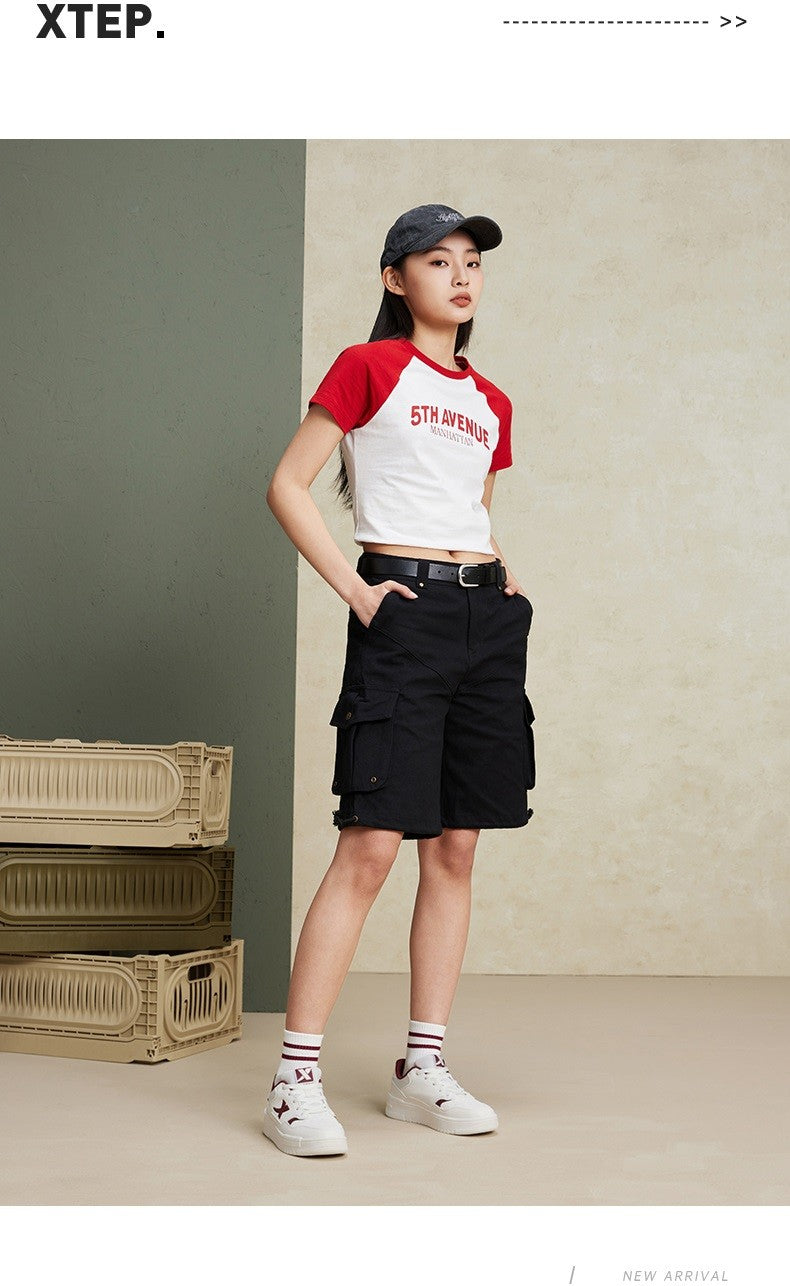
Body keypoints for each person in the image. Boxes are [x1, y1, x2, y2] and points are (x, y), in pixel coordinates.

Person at [263, 203, 536, 1157]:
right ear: (395, 278)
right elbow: (288, 484)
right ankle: (294, 1081)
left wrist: (500, 575)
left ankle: (422, 1069)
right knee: (372, 845)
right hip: (403, 614)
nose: (461, 278)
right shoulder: (369, 365)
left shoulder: (491, 400)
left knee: (456, 846)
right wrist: (357, 590)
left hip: (483, 622)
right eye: (438, 261)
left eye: (473, 264)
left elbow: (472, 509)